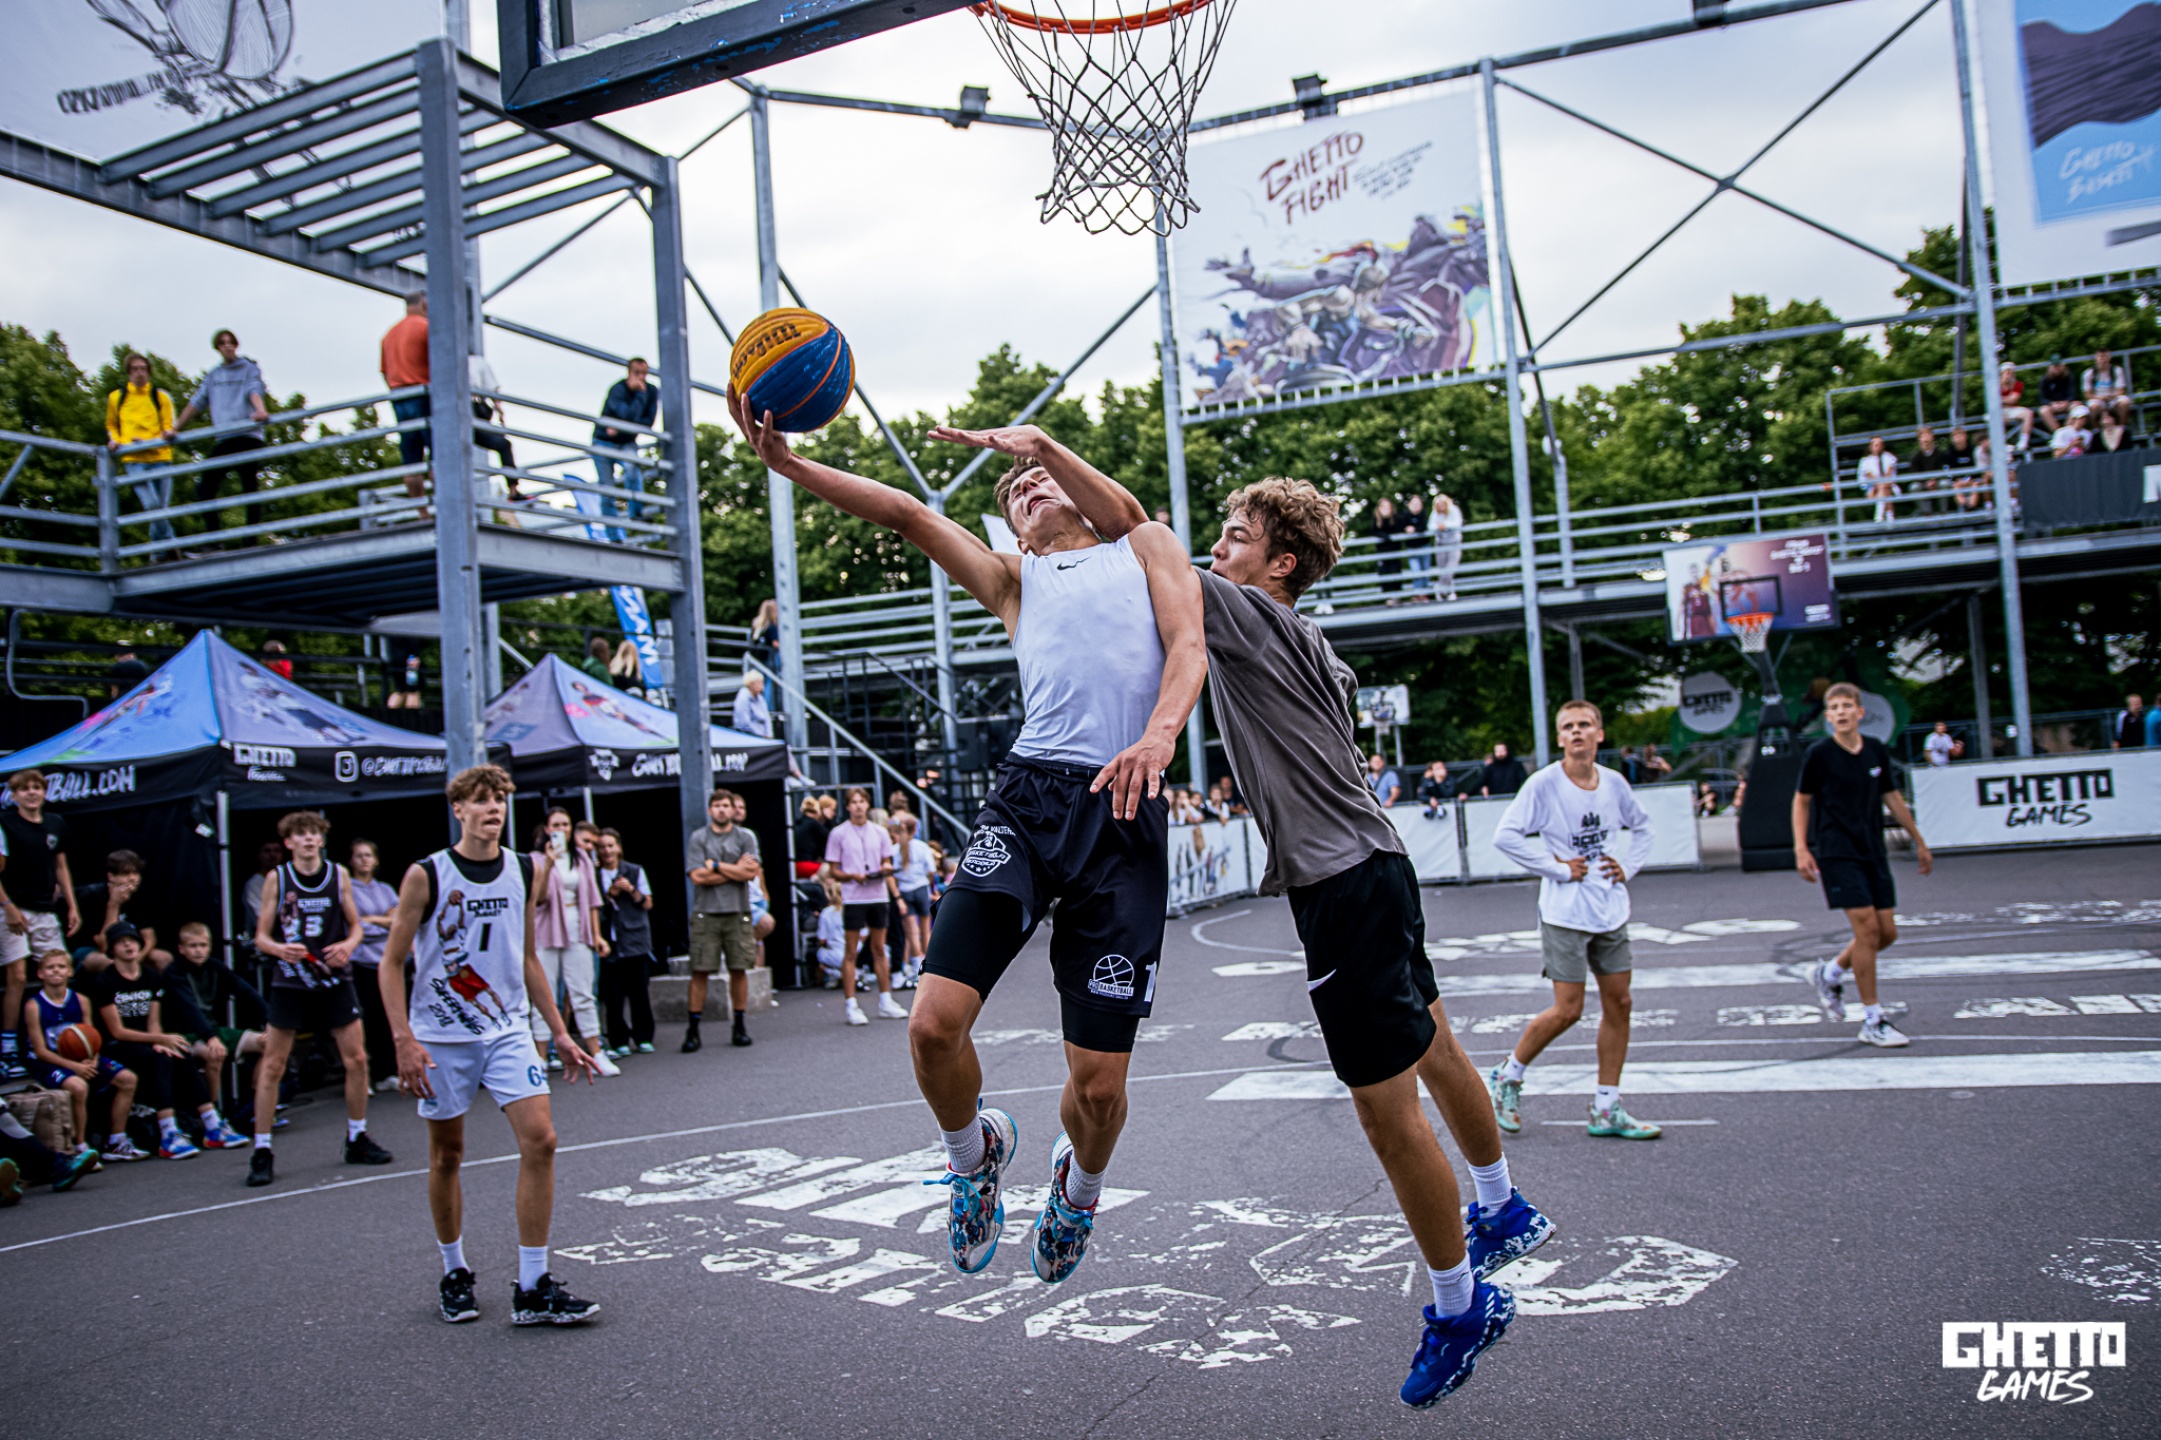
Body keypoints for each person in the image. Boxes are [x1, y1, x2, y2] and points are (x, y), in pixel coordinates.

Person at [1038, 463, 1542, 1406]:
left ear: (1281, 565)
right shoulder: (1308, 637)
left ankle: (1459, 1305)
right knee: (1434, 1044)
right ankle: (1501, 1202)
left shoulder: (1249, 614)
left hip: (1342, 884)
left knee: (1386, 1114)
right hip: (1375, 866)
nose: (1215, 546)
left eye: (1236, 536)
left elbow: (1137, 533)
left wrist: (1044, 448)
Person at [753, 398, 1204, 1295]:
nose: (1027, 488)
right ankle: (972, 1157)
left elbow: (1187, 644)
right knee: (930, 1025)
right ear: (1014, 533)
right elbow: (906, 514)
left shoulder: (1143, 547)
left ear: (1076, 486)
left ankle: (1077, 1192)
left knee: (1099, 1089)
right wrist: (792, 466)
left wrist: (1160, 734)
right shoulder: (1014, 581)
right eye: (1014, 492)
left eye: (1039, 477)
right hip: (1028, 801)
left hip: (1124, 807)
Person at [376, 763, 601, 1326]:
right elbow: (390, 962)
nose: (492, 807)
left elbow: (526, 957)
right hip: (441, 1035)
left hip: (506, 1029)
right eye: (480, 800)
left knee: (541, 1140)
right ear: (458, 809)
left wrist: (560, 1031)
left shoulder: (527, 869)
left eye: (499, 798)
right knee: (447, 1154)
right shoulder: (426, 874)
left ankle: (533, 1286)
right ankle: (454, 1270)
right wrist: (403, 1039)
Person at [1489, 701, 1662, 1141]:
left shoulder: (1615, 782)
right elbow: (1505, 836)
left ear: (1599, 734)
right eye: (1568, 727)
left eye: (1585, 725)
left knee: (1620, 1003)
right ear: (1560, 737)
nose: (1577, 732)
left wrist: (1628, 866)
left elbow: (1643, 828)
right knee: (1568, 1009)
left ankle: (1606, 1108)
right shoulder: (1544, 784)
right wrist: (1557, 868)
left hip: (1609, 907)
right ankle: (1509, 1074)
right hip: (1564, 912)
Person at [249, 809, 390, 1186]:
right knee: (273, 1064)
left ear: (322, 839)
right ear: (289, 842)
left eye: (314, 833)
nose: (309, 839)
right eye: (301, 834)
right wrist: (280, 949)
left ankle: (357, 1137)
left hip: (333, 977)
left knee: (357, 1058)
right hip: (291, 980)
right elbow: (261, 937)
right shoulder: (278, 878)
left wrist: (348, 945)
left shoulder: (338, 874)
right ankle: (262, 1149)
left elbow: (356, 927)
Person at [1795, 682, 1933, 1049]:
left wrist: (1919, 840)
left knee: (1887, 934)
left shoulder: (1874, 750)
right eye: (1834, 708)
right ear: (1828, 717)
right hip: (1836, 851)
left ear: (1860, 712)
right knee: (1868, 930)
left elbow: (1892, 797)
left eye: (1847, 706)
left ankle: (1829, 972)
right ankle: (1872, 1019)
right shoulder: (1819, 754)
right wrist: (1801, 848)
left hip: (1872, 849)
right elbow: (1801, 800)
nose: (1841, 712)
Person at [85, 923, 241, 1158]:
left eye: (132, 940)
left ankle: (212, 1124)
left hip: (147, 1040)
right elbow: (117, 1032)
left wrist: (160, 1040)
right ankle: (168, 1133)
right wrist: (157, 1039)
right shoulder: (105, 981)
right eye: (121, 942)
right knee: (160, 1059)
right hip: (119, 1046)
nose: (128, 945)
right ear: (112, 949)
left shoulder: (151, 975)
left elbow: (154, 1022)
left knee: (180, 1051)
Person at [0, 769, 78, 1082]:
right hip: (13, 908)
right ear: (14, 795)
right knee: (18, 976)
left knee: (61, 971)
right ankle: (8, 1049)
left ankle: (58, 1041)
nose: (32, 792)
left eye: (37, 787)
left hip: (45, 909)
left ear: (45, 792)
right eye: (25, 788)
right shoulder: (5, 823)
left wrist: (72, 905)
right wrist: (8, 906)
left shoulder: (56, 823)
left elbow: (61, 866)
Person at [26, 949, 140, 1160]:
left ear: (70, 971)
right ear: (40, 973)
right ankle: (80, 1146)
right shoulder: (34, 1006)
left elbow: (91, 1037)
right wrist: (75, 1067)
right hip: (51, 1062)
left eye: (61, 967)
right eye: (50, 968)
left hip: (81, 1058)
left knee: (128, 1079)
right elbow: (40, 1051)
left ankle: (116, 1141)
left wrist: (93, 1060)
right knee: (78, 1087)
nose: (56, 971)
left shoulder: (81, 1000)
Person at [528, 811, 613, 1074]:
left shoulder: (582, 859)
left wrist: (597, 935)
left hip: (578, 928)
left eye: (565, 824)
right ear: (546, 829)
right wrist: (549, 863)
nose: (561, 829)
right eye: (556, 825)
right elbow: (538, 898)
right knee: (545, 996)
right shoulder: (535, 859)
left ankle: (596, 1053)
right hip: (547, 931)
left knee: (583, 992)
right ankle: (540, 1058)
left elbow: (593, 900)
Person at [169, 328, 272, 543]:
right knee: (205, 487)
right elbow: (197, 401)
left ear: (236, 345)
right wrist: (176, 428)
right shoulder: (213, 375)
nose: (228, 346)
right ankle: (214, 541)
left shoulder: (249, 368)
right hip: (225, 438)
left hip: (248, 436)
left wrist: (260, 410)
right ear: (217, 348)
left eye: (231, 343)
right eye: (223, 343)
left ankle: (250, 541)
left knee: (249, 487)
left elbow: (254, 389)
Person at [157, 921, 267, 1116]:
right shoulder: (174, 973)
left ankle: (257, 1105)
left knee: (270, 1044)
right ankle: (212, 1115)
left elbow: (246, 992)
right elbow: (189, 1009)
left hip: (212, 1029)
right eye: (193, 946)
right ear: (181, 949)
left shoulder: (215, 966)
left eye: (203, 945)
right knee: (214, 1054)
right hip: (186, 1033)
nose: (199, 951)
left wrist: (271, 1022)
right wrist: (210, 1037)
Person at [686, 788, 761, 1050]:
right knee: (700, 970)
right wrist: (735, 870)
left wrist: (717, 866)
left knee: (738, 969)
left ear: (733, 809)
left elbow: (751, 873)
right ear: (710, 810)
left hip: (737, 912)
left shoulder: (744, 837)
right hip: (706, 913)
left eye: (726, 805)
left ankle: (739, 1025)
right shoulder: (699, 838)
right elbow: (697, 876)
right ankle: (693, 1029)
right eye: (717, 805)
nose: (721, 810)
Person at [823, 788, 902, 1025]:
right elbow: (833, 870)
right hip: (853, 897)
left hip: (877, 894)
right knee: (851, 951)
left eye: (862, 801)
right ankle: (851, 1004)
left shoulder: (879, 832)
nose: (858, 806)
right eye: (854, 802)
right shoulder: (838, 833)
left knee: (879, 948)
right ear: (848, 806)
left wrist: (885, 868)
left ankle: (886, 1000)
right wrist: (851, 876)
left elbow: (886, 861)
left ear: (867, 805)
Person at [105, 353, 179, 555]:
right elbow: (111, 424)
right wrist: (115, 440)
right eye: (135, 369)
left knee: (160, 509)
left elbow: (168, 427)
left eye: (143, 369)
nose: (139, 373)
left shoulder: (160, 397)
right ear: (129, 372)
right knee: (152, 505)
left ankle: (158, 555)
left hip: (160, 457)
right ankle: (171, 544)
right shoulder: (117, 397)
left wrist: (148, 442)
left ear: (149, 372)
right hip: (134, 459)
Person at [594, 828, 655, 1057]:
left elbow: (648, 903)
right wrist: (610, 893)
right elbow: (595, 906)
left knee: (639, 992)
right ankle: (618, 1039)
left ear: (618, 847)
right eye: (602, 847)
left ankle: (643, 1037)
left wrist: (631, 890)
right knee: (614, 994)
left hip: (635, 938)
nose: (607, 851)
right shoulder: (594, 874)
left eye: (610, 845)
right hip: (610, 940)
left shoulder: (634, 870)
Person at [348, 839, 402, 1089]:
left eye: (368, 855)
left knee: (387, 1017)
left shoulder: (386, 889)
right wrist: (384, 922)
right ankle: (364, 1076)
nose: (364, 860)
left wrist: (372, 920)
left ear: (376, 860)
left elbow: (399, 921)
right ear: (351, 861)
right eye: (359, 855)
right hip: (361, 964)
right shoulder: (347, 889)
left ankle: (386, 1072)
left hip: (386, 961)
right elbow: (355, 927)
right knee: (364, 1020)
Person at [593, 357, 658, 539]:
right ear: (629, 372)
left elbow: (647, 422)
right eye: (637, 373)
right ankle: (614, 537)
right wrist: (638, 398)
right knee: (607, 490)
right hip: (603, 441)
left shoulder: (651, 391)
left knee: (632, 470)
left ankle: (636, 514)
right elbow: (628, 414)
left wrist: (620, 425)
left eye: (644, 373)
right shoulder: (618, 389)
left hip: (626, 442)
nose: (641, 377)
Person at [70, 848, 162, 976]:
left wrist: (138, 958)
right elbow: (104, 945)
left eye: (135, 873)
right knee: (111, 963)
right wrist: (114, 904)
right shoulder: (92, 895)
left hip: (130, 950)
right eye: (125, 874)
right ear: (111, 876)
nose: (133, 879)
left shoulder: (139, 896)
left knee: (163, 958)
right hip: (90, 950)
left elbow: (150, 938)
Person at [380, 292, 431, 500]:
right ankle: (445, 506)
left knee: (411, 459)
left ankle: (422, 511)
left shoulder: (389, 334)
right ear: (423, 304)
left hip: (399, 397)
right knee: (439, 454)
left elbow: (384, 371)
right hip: (423, 394)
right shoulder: (426, 327)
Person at [891, 813, 934, 981]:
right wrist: (927, 881)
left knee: (911, 932)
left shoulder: (895, 849)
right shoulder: (922, 847)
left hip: (905, 890)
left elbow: (893, 873)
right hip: (921, 887)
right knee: (925, 930)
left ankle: (916, 965)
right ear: (915, 829)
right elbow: (931, 870)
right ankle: (929, 965)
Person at [2083, 348, 2132, 428]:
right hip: (2097, 399)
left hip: (2113, 398)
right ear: (2096, 358)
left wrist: (2112, 396)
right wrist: (2099, 397)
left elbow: (2121, 391)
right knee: (2093, 407)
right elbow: (2087, 394)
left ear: (2109, 358)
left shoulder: (2117, 370)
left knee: (2125, 402)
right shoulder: (2089, 373)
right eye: (2100, 357)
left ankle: (2121, 428)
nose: (2102, 360)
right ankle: (2097, 431)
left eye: (2105, 356)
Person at [813, 875, 847, 988]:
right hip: (856, 951)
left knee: (820, 953)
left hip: (836, 954)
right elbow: (863, 935)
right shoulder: (853, 910)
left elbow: (822, 940)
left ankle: (834, 973)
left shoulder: (826, 913)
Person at [1430, 491, 1464, 602]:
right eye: (1438, 505)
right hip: (1440, 544)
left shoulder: (1454, 510)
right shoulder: (1435, 514)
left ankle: (1441, 588)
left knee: (1450, 568)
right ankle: (1448, 592)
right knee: (1442, 569)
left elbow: (1458, 523)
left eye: (1442, 504)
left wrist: (1445, 526)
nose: (1441, 507)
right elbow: (1430, 526)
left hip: (1454, 543)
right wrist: (1438, 527)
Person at [1857, 435, 1897, 524]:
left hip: (1888, 486)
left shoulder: (1889, 458)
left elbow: (1889, 474)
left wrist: (1883, 484)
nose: (1878, 446)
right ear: (1870, 447)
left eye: (1880, 444)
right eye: (1875, 444)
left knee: (1884, 487)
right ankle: (1890, 517)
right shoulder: (1865, 461)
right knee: (1883, 487)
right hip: (1872, 489)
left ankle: (1879, 517)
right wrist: (1880, 484)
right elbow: (1870, 476)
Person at [1371, 495, 1404, 597]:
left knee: (1396, 572)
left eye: (1387, 507)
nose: (1385, 509)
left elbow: (1399, 529)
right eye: (1383, 507)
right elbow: (1374, 531)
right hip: (1382, 553)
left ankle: (1397, 596)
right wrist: (1384, 536)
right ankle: (1388, 597)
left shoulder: (1396, 518)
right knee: (1384, 573)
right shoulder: (1376, 520)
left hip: (1394, 552)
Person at [1998, 363, 2034, 451]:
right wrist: (2005, 399)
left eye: (2011, 373)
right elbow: (1994, 401)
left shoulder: (2018, 384)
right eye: (2007, 373)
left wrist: (2001, 399)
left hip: (2012, 409)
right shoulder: (1994, 384)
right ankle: (2002, 444)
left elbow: (2013, 400)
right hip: (1998, 410)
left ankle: (2023, 442)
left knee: (2028, 413)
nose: (2009, 375)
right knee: (1999, 419)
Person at [2034, 356, 2076, 433]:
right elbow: (2042, 398)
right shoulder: (2045, 379)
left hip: (2066, 404)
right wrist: (2051, 404)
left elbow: (2072, 394)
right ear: (2050, 367)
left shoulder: (2069, 377)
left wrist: (2067, 402)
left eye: (2058, 366)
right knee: (2043, 411)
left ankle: (2067, 431)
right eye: (2054, 366)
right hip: (2052, 405)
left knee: (2076, 406)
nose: (2057, 369)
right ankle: (2058, 433)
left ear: (2063, 366)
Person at [794, 794, 832, 879]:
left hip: (793, 866)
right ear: (818, 812)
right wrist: (828, 820)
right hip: (806, 865)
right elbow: (832, 838)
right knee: (834, 872)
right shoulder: (813, 824)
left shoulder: (796, 824)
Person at [747, 598, 781, 677]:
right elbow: (774, 642)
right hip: (769, 656)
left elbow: (753, 638)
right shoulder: (771, 626)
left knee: (760, 676)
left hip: (757, 655)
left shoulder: (757, 623)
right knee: (770, 677)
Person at [731, 671, 772, 738]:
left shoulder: (760, 698)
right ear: (751, 684)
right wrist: (760, 736)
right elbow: (744, 723)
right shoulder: (743, 698)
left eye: (762, 682)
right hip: (748, 736)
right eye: (759, 683)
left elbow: (767, 718)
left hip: (762, 736)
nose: (762, 686)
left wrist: (769, 734)